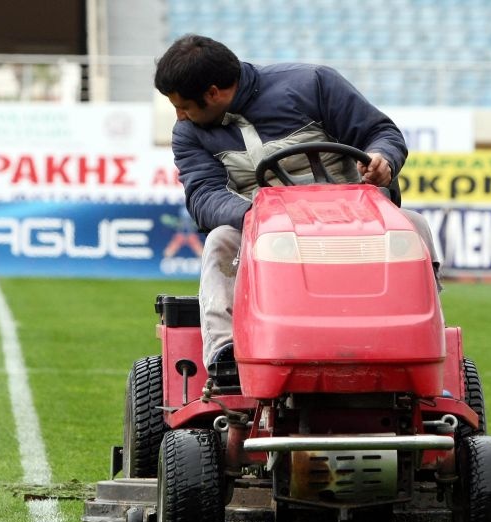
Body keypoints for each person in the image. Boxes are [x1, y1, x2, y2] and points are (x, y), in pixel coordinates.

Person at [154, 34, 441, 371]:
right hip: (266, 233)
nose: (180, 116)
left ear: (213, 93)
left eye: (183, 106)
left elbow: (381, 133)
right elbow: (203, 195)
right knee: (220, 241)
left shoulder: (312, 84)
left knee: (414, 225)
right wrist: (255, 215)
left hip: (351, 222)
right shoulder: (188, 134)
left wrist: (383, 159)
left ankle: (423, 341)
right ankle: (225, 354)